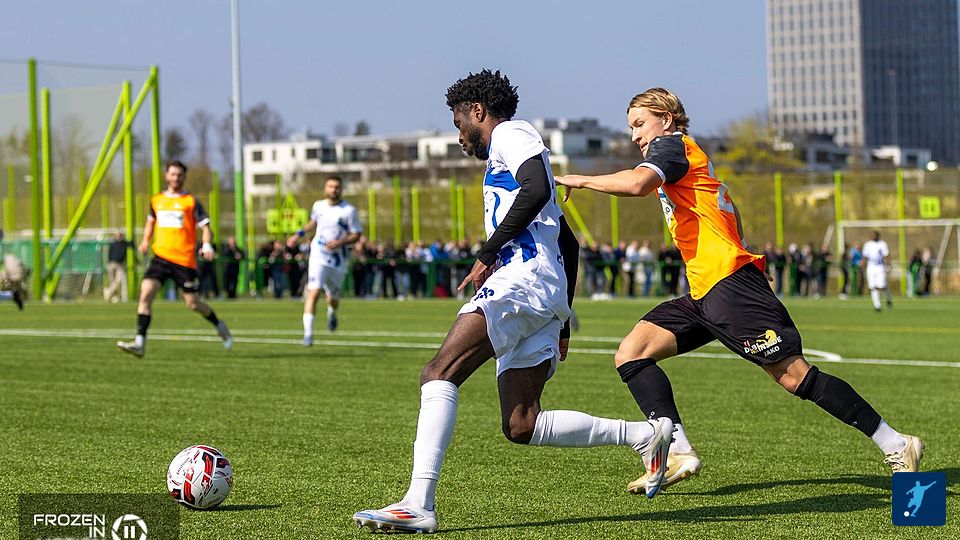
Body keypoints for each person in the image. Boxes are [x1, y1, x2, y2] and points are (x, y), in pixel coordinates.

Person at [555, 87, 922, 493]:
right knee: (632, 353)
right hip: (706, 291)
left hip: (727, 286)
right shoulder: (686, 156)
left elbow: (639, 183)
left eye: (640, 124)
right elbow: (729, 206)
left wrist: (581, 179)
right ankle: (678, 451)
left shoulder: (671, 147)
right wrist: (742, 251)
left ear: (667, 118)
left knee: (794, 376)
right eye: (631, 128)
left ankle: (896, 443)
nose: (635, 136)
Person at [352, 70, 673, 534]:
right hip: (545, 293)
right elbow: (568, 242)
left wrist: (488, 253)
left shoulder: (510, 133)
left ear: (478, 111)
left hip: (523, 281)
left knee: (439, 372)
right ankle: (645, 435)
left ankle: (418, 503)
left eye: (459, 124)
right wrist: (563, 321)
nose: (459, 137)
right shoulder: (509, 158)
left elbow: (537, 188)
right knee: (522, 423)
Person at [117, 161, 232, 357]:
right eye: (172, 174)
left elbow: (205, 227)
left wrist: (206, 244)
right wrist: (145, 241)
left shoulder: (191, 202)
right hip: (161, 257)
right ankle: (139, 342)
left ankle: (218, 324)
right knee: (145, 294)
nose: (176, 178)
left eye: (179, 175)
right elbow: (150, 222)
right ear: (166, 176)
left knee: (193, 304)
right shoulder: (157, 200)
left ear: (184, 177)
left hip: (184, 260)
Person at [287, 176, 362, 345]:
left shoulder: (349, 210)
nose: (333, 190)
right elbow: (312, 223)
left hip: (338, 260)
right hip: (318, 255)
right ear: (325, 188)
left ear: (341, 189)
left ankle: (331, 312)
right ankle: (308, 335)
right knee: (313, 292)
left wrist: (340, 242)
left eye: (336, 187)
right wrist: (298, 235)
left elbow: (356, 234)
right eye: (330, 186)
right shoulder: (318, 206)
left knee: (333, 299)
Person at [861, 230, 893, 311]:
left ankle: (888, 298)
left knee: (881, 286)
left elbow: (886, 255)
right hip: (871, 267)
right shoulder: (867, 245)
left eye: (875, 235)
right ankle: (877, 305)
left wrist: (889, 265)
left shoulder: (882, 244)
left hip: (880, 267)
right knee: (873, 287)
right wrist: (862, 264)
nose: (873, 237)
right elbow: (865, 256)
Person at [103, 230, 131, 303]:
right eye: (117, 235)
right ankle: (114, 297)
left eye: (120, 235)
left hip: (120, 265)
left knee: (118, 280)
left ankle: (108, 291)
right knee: (112, 280)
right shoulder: (113, 244)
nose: (119, 236)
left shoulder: (124, 244)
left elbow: (131, 244)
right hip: (112, 264)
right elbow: (109, 254)